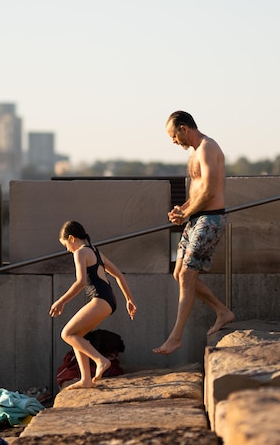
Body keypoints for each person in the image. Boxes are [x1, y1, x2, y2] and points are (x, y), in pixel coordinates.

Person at [153, 110, 235, 355]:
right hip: (197, 218)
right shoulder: (194, 152)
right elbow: (197, 193)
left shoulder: (208, 147)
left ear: (184, 128)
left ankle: (175, 337)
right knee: (179, 274)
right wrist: (182, 209)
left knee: (187, 275)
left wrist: (188, 214)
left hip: (210, 219)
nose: (173, 141)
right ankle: (222, 311)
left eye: (173, 136)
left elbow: (210, 191)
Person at [49, 220, 137, 389]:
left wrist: (61, 301)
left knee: (66, 334)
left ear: (72, 238)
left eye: (66, 245)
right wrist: (129, 300)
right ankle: (86, 380)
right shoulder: (96, 252)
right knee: (76, 336)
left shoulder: (80, 253)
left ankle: (100, 360)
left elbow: (81, 282)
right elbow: (119, 274)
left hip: (100, 299)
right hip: (109, 300)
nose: (67, 249)